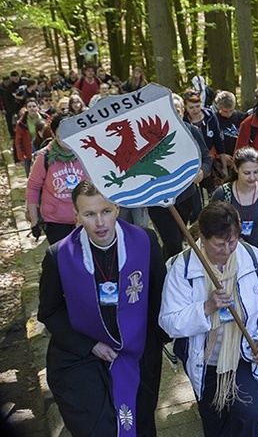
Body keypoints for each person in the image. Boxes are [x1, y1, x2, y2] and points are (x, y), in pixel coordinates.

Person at [37, 179, 167, 436]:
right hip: (83, 355)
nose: (100, 222)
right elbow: (49, 312)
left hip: (137, 352)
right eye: (89, 214)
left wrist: (160, 341)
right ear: (76, 217)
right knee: (101, 429)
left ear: (117, 208)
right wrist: (90, 345)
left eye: (106, 211)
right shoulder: (58, 256)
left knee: (140, 424)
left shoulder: (146, 242)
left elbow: (159, 300)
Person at [158, 201, 258, 436]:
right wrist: (206, 307)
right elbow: (169, 321)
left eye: (232, 241)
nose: (227, 250)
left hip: (245, 354)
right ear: (203, 238)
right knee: (215, 421)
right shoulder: (182, 268)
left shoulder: (251, 257)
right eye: (219, 245)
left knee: (250, 414)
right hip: (205, 361)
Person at [147, 94, 213, 260]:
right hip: (158, 200)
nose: (174, 113)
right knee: (173, 243)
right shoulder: (151, 136)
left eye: (177, 110)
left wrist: (202, 173)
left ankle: (165, 269)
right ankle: (173, 278)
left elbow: (206, 158)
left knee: (177, 239)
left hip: (185, 197)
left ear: (183, 111)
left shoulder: (192, 131)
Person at [26, 114, 85, 244]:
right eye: (61, 135)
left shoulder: (86, 152)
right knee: (63, 260)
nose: (66, 139)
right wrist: (34, 220)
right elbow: (33, 187)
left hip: (83, 218)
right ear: (53, 134)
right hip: (55, 221)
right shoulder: (45, 157)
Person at [212, 147, 258, 259]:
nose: (252, 177)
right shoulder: (223, 193)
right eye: (246, 173)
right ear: (236, 168)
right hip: (231, 253)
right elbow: (212, 225)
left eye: (256, 172)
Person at [15, 98, 50, 175]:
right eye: (29, 107)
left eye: (34, 106)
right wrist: (21, 156)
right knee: (31, 175)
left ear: (38, 107)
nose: (32, 108)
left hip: (45, 149)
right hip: (29, 152)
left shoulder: (46, 118)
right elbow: (18, 141)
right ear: (26, 108)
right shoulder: (21, 123)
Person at [214, 90, 248, 163]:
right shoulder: (214, 120)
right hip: (221, 159)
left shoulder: (242, 117)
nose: (228, 114)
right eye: (225, 111)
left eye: (231, 110)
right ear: (218, 107)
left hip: (240, 157)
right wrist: (221, 156)